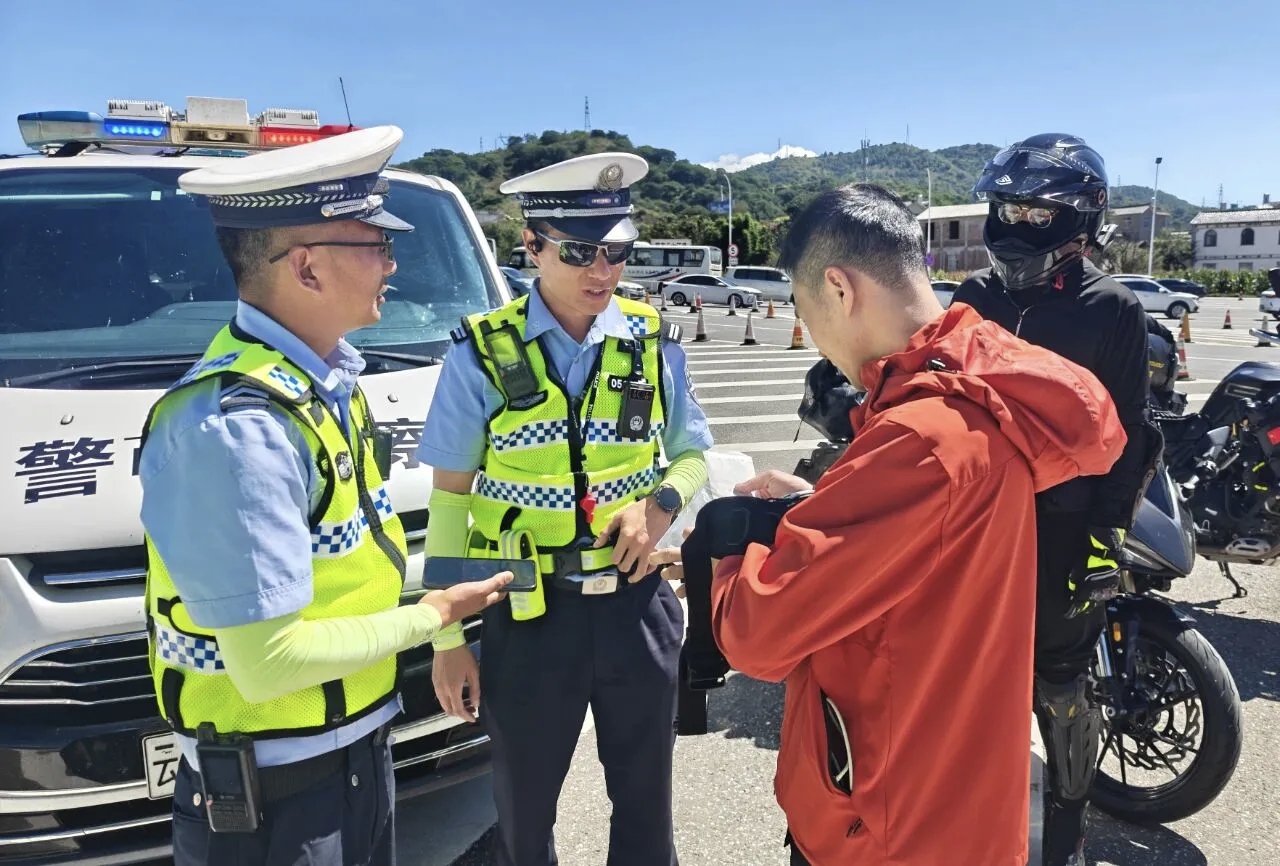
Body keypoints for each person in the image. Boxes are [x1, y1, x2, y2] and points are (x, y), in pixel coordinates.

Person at [650, 183, 1127, 866]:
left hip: (888, 826)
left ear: (840, 290)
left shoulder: (923, 439)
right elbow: (914, 553)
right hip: (953, 805)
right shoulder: (975, 396)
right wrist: (820, 499)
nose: (813, 336)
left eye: (805, 311)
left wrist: (728, 551)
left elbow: (759, 635)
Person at [137, 126, 512, 866]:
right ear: (306, 267)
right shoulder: (236, 428)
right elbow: (269, 662)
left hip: (348, 756)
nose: (392, 265)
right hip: (275, 797)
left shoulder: (324, 387)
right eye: (374, 245)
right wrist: (433, 616)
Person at [417, 151, 714, 866]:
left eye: (617, 251)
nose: (602, 272)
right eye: (580, 251)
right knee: (524, 810)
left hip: (637, 609)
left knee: (647, 806)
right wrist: (447, 638)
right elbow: (451, 500)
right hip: (529, 616)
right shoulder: (481, 355)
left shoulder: (654, 345)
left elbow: (693, 455)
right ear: (531, 246)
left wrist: (660, 506)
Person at [951, 133, 1162, 866]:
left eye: (1038, 214)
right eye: (1008, 208)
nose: (1017, 224)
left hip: (1064, 530)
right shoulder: (973, 296)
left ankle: (1067, 838)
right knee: (967, 684)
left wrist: (1106, 539)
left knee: (1060, 684)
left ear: (1081, 219)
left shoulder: (1113, 309)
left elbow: (1133, 435)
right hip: (976, 527)